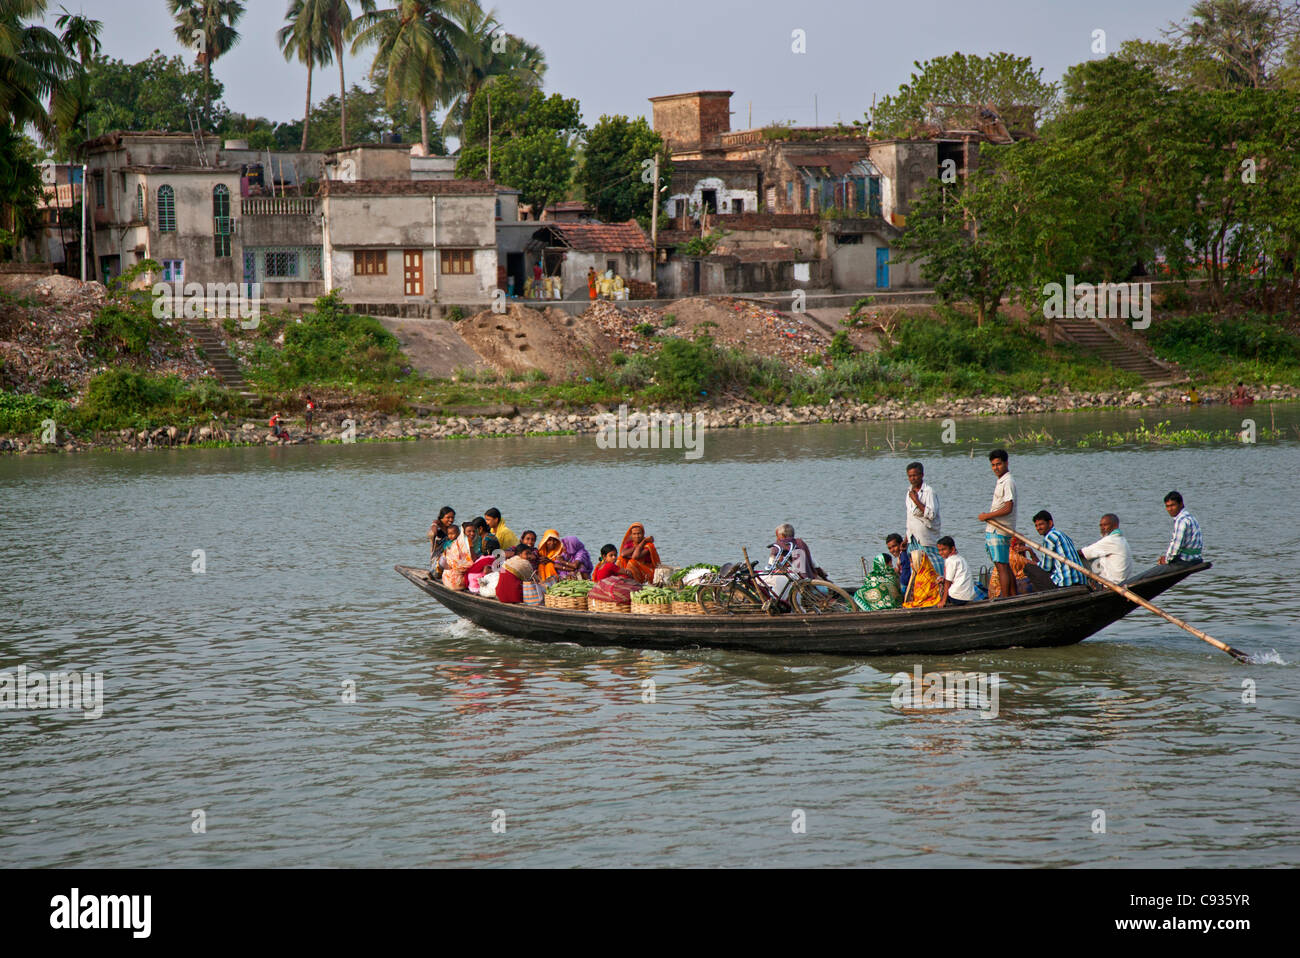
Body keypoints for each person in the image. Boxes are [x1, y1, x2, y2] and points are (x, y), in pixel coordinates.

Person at [977, 448, 1018, 598]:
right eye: (993, 465)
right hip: (996, 529)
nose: (996, 468)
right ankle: (1013, 596)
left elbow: (1008, 507)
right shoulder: (1002, 481)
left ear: (1006, 463)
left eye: (999, 464)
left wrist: (987, 516)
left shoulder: (1008, 481)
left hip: (999, 530)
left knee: (1001, 566)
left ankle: (1006, 598)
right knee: (1004, 565)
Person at [1023, 510, 1087, 589]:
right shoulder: (1062, 534)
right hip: (1081, 581)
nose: (1038, 528)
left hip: (1066, 583)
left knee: (1028, 568)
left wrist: (1029, 562)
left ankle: (1047, 595)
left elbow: (1046, 567)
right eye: (1036, 525)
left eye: (1041, 524)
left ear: (1050, 523)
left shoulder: (1049, 538)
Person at [1080, 513, 1135, 584]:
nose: (1102, 528)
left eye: (1105, 525)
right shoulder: (1122, 539)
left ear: (1115, 525)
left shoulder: (1111, 540)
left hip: (1111, 583)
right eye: (1101, 525)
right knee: (1094, 559)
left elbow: (1083, 553)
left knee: (1079, 558)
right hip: (1120, 580)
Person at [1158, 491, 1203, 566]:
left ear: (1181, 504)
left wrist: (1166, 560)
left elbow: (1176, 545)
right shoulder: (1190, 517)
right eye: (1167, 506)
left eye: (1173, 505)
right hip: (1196, 558)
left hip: (1186, 560)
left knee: (1157, 570)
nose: (1170, 509)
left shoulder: (1181, 521)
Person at [935, 537, 976, 607]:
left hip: (957, 598)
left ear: (952, 549)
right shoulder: (960, 558)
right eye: (939, 550)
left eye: (944, 549)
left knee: (939, 587)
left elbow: (948, 582)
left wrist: (943, 601)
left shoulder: (950, 560)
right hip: (968, 596)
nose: (941, 553)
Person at [441, 523, 480, 590]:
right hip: (458, 582)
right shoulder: (467, 542)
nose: (472, 533)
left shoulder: (456, 543)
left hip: (446, 579)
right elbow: (472, 560)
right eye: (469, 531)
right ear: (463, 533)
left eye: (474, 531)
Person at [885, 533, 912, 598]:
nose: (892, 550)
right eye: (889, 548)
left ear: (901, 544)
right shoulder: (901, 556)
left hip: (907, 586)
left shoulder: (904, 555)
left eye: (894, 546)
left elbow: (905, 577)